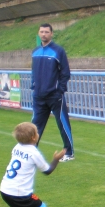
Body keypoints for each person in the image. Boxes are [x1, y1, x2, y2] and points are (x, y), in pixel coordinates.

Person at [0, 122, 65, 207]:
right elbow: (47, 171)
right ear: (33, 137)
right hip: (19, 192)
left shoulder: (17, 147)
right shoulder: (34, 153)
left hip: (5, 189)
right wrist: (56, 159)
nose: (38, 134)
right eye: (37, 132)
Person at [31, 23, 74, 162]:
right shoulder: (35, 51)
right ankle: (30, 152)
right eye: (41, 32)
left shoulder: (58, 51)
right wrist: (34, 86)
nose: (44, 34)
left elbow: (65, 72)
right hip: (39, 96)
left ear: (51, 34)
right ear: (38, 33)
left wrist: (60, 90)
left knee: (62, 124)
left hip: (54, 95)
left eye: (46, 32)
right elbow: (34, 71)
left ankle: (69, 152)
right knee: (35, 126)